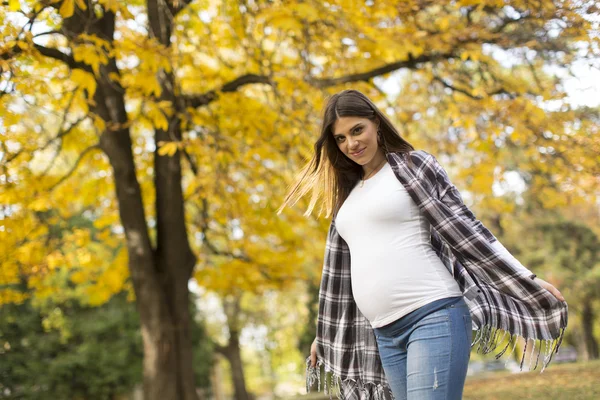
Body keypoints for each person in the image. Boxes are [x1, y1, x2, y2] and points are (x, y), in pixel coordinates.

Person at [277, 89, 568, 400]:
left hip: (433, 314)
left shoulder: (414, 166)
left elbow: (467, 228)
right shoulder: (346, 196)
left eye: (357, 130)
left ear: (375, 122)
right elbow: (344, 275)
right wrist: (325, 335)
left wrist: (527, 278)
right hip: (383, 334)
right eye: (341, 138)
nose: (352, 143)